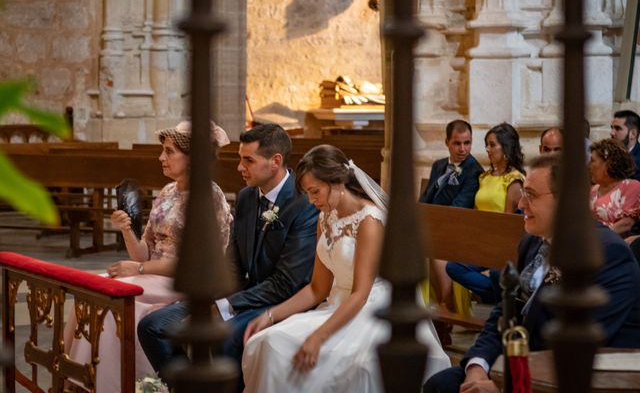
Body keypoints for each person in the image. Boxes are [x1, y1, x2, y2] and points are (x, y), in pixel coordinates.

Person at [242, 145, 451, 392]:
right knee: (268, 341)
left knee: (350, 364)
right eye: (308, 193)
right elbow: (317, 289)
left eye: (315, 191)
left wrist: (319, 336)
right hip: (335, 306)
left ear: (338, 182)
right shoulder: (325, 218)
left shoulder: (369, 221)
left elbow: (360, 294)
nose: (311, 200)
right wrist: (270, 315)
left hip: (371, 311)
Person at [424, 154, 640, 393]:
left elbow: (578, 349)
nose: (520, 204)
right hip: (518, 362)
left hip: (574, 379)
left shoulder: (606, 254)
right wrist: (477, 366)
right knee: (439, 384)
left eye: (531, 195)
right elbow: (504, 314)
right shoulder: (531, 242)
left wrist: (505, 386)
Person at [137, 123, 319, 382]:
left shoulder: (303, 204)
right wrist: (207, 301)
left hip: (278, 300)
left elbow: (287, 282)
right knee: (153, 326)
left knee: (228, 335)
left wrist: (226, 307)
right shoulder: (246, 197)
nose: (239, 167)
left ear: (275, 161)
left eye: (248, 160)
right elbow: (232, 265)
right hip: (239, 293)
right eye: (239, 159)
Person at [64, 120, 233, 392]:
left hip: (185, 281)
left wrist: (139, 269)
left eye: (169, 151)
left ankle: (121, 385)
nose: (161, 158)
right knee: (91, 289)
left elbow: (199, 264)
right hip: (153, 273)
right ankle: (84, 380)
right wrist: (126, 230)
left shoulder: (210, 198)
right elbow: (143, 250)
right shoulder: (166, 192)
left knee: (116, 303)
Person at [446, 122, 525, 304]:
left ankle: (501, 299)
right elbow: (476, 212)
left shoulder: (514, 181)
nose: (488, 150)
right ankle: (499, 296)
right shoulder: (484, 177)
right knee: (454, 266)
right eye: (487, 145)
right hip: (480, 240)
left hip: (501, 244)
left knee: (497, 272)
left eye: (492, 145)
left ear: (505, 147)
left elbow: (510, 225)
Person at [419, 120, 483, 312]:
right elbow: (426, 198)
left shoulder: (474, 170)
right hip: (434, 224)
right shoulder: (439, 166)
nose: (463, 149)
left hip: (457, 227)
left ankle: (445, 307)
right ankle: (421, 305)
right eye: (457, 143)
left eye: (467, 143)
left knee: (439, 255)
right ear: (447, 141)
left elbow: (460, 207)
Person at [588, 138, 640, 237]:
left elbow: (626, 224)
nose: (589, 166)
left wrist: (597, 237)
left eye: (593, 161)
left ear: (608, 164)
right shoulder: (593, 190)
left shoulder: (632, 186)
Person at [610, 109, 640, 180]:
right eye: (612, 128)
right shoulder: (611, 153)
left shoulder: (638, 161)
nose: (612, 133)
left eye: (618, 128)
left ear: (633, 134)